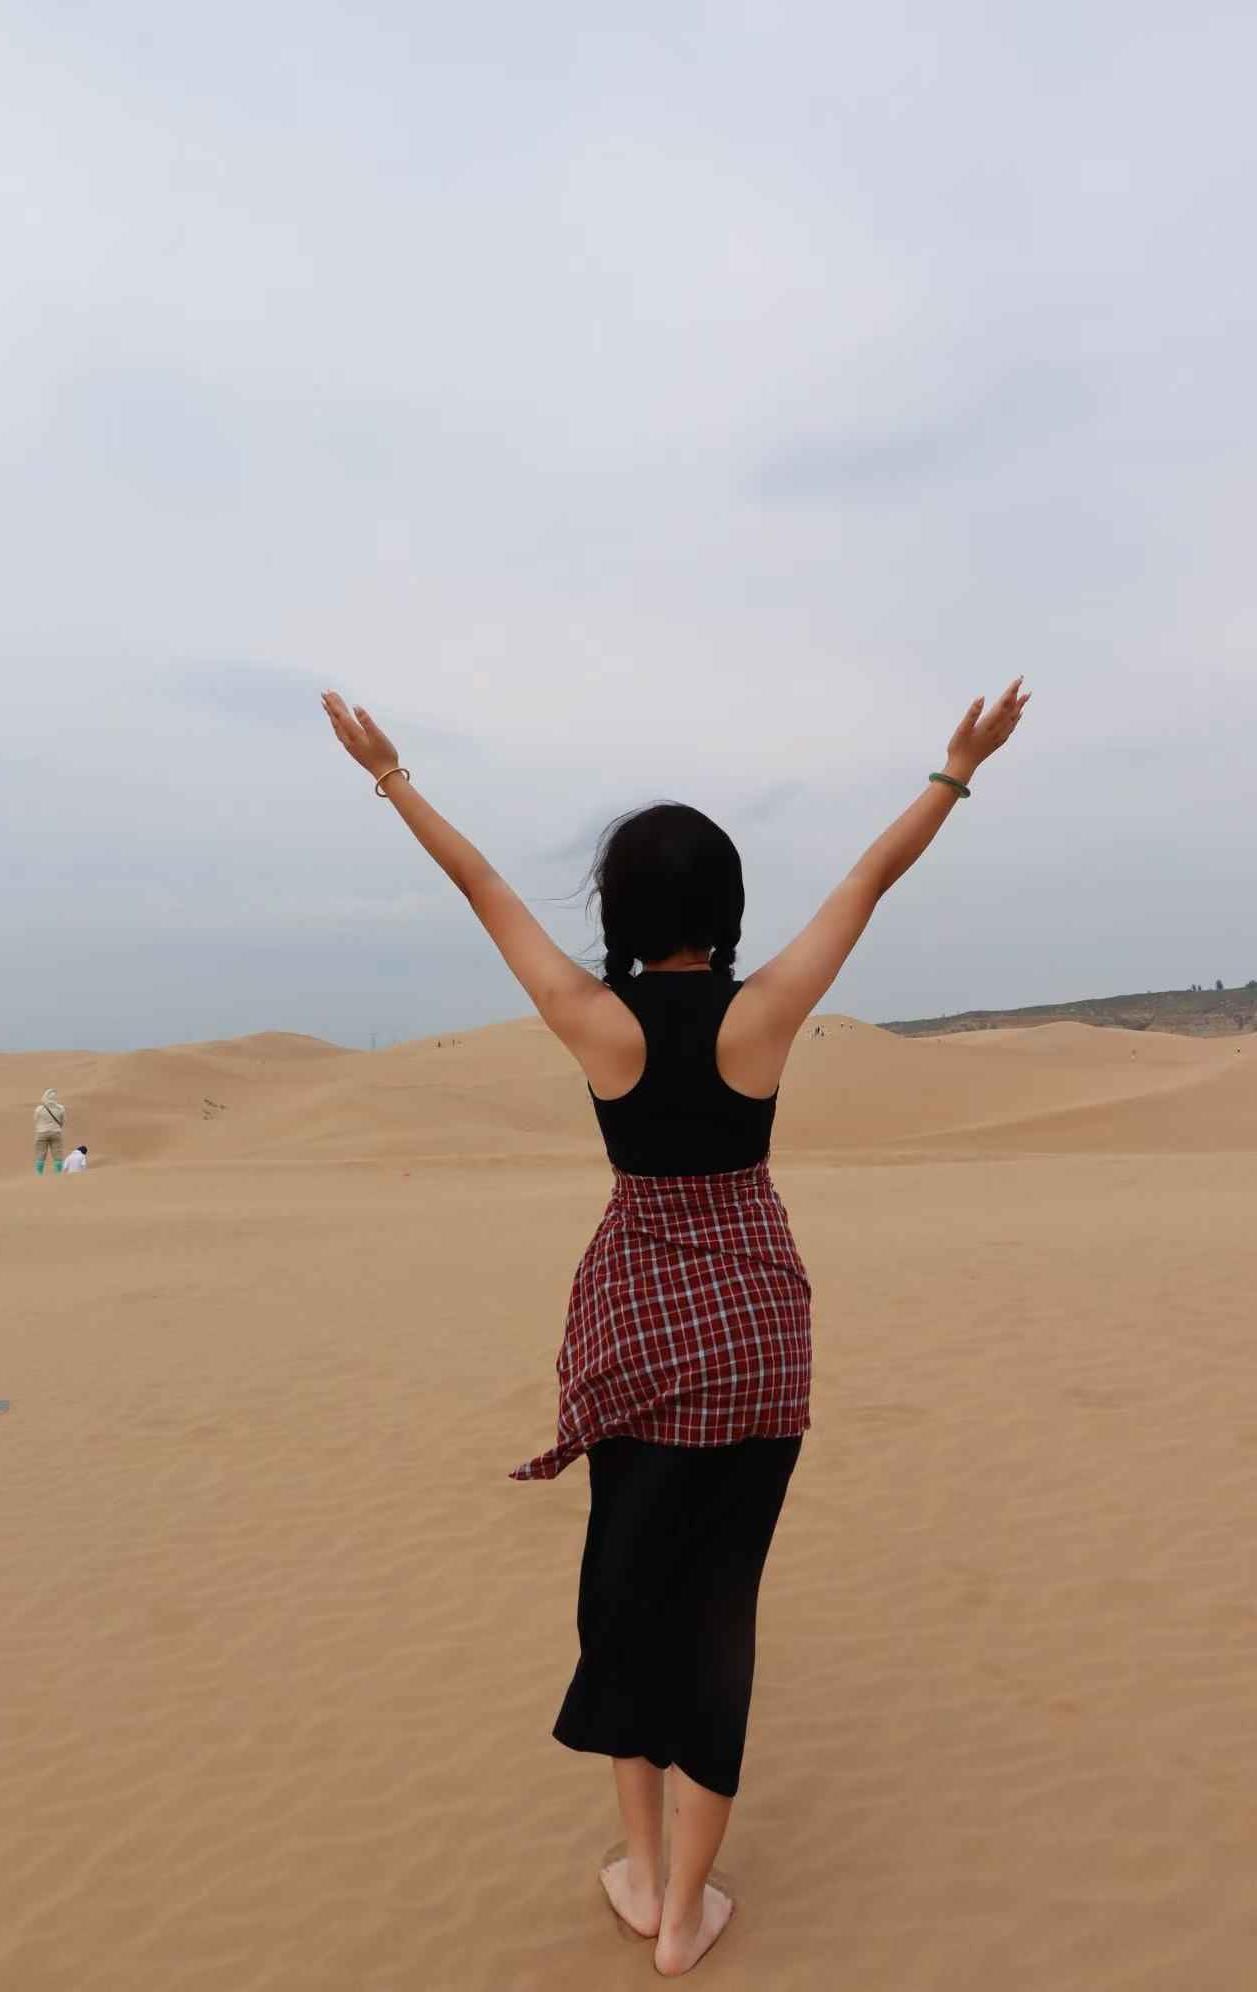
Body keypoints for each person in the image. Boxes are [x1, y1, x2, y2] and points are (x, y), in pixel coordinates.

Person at [321, 678, 1029, 1978]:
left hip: (635, 1339)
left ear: (620, 916)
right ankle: (688, 1911)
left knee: (627, 1597)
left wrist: (390, 777)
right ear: (725, 909)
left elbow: (481, 887)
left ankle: (644, 1880)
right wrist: (955, 769)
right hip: (755, 1347)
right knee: (716, 1612)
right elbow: (869, 879)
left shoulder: (595, 1022)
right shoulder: (763, 1014)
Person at [33, 1089, 66, 1175]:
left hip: (42, 1132)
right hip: (56, 1132)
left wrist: (40, 1128)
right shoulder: (61, 1108)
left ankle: (39, 1174)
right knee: (57, 1154)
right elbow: (62, 1121)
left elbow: (36, 1120)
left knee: (40, 1154)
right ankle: (58, 1174)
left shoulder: (39, 1109)